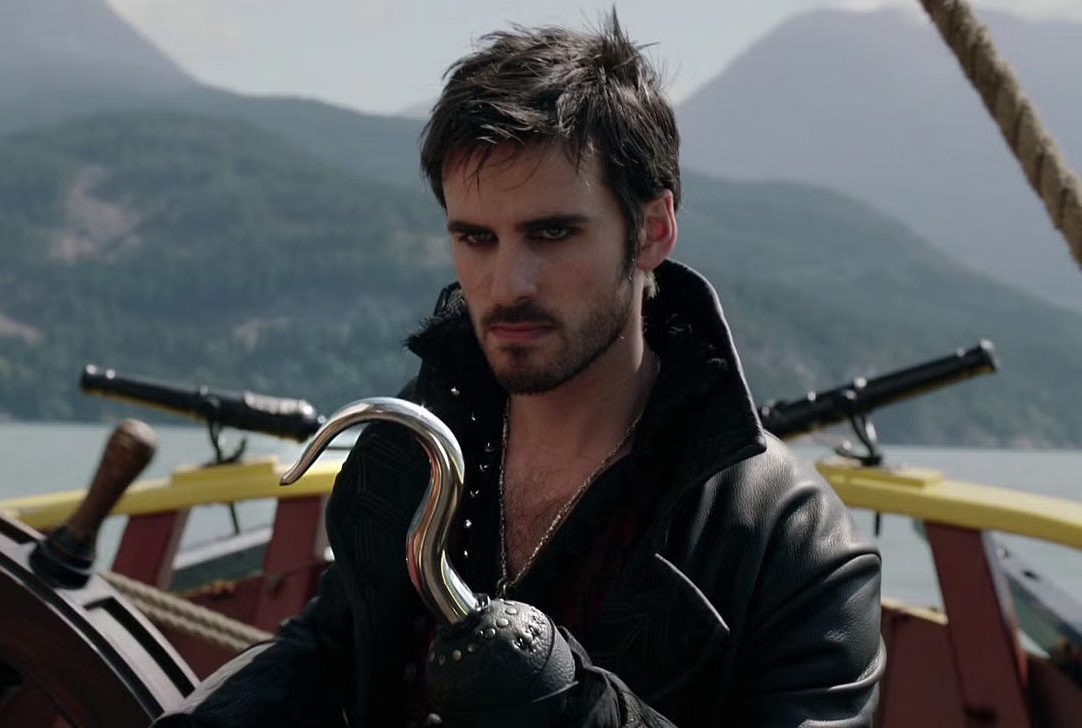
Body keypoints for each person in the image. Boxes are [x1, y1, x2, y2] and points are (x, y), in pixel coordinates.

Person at [156, 15, 883, 727]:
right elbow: (333, 648)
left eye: (552, 232)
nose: (508, 284)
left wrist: (569, 704)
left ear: (652, 231)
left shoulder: (789, 541)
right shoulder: (412, 446)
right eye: (477, 238)